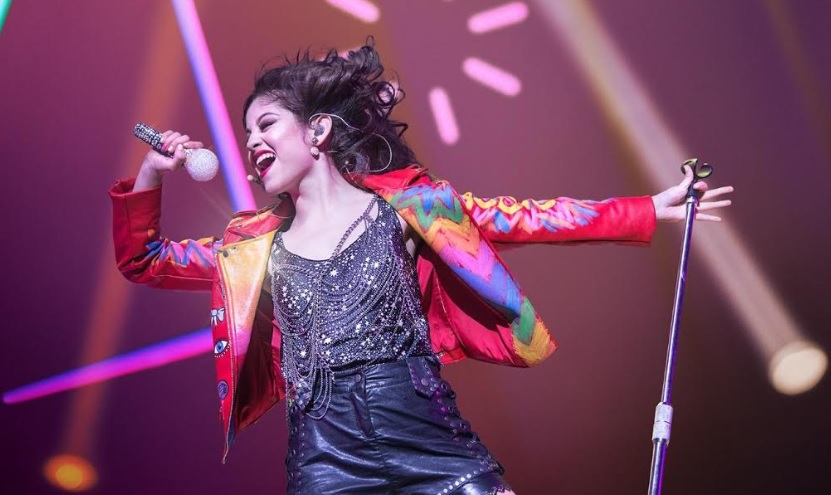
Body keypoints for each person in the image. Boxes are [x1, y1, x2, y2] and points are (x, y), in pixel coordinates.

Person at [110, 41, 732, 495]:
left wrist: (646, 208)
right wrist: (151, 172)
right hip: (326, 460)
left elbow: (530, 218)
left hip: (428, 436)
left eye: (266, 124)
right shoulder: (252, 248)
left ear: (318, 130)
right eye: (247, 133)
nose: (251, 143)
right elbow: (144, 260)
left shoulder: (412, 209)